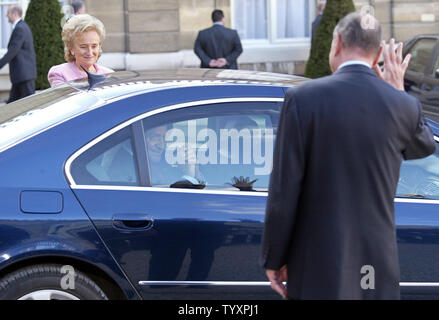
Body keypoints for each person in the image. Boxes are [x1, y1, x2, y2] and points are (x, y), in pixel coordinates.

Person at [261, 12, 436, 300]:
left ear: (337, 43)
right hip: (374, 263)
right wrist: (398, 93)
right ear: (379, 52)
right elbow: (423, 146)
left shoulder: (303, 99)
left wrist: (274, 257)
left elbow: (285, 188)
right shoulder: (401, 105)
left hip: (317, 261)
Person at [47, 14, 113, 87]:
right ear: (71, 48)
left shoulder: (109, 74)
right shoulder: (59, 73)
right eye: (83, 47)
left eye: (94, 46)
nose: (90, 52)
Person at [0, 4, 36, 103]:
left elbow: (13, 51)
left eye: (8, 13)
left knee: (29, 105)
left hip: (23, 75)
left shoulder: (20, 28)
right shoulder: (21, 27)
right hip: (21, 75)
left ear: (14, 13)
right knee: (14, 103)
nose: (6, 15)